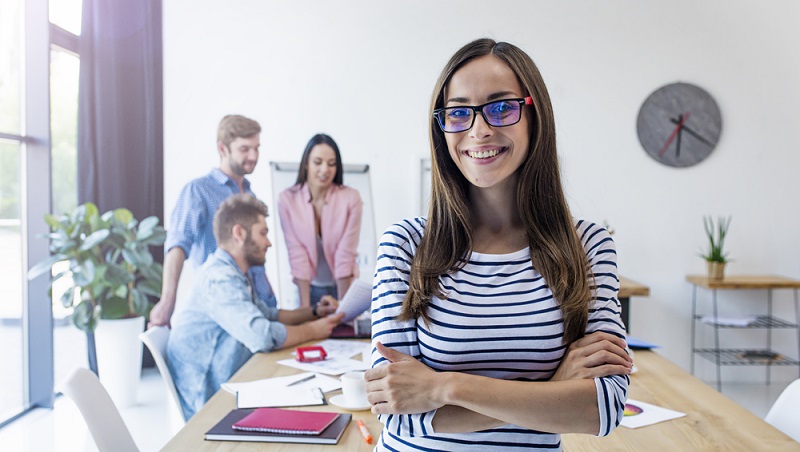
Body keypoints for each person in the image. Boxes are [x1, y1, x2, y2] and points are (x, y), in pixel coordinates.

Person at [365, 38, 631, 451]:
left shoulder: (587, 246)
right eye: (458, 113)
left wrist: (441, 388)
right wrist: (554, 387)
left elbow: (604, 409)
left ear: (534, 115)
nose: (479, 130)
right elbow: (399, 417)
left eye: (501, 107)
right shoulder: (406, 244)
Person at [167, 194, 345, 419]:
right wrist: (315, 330)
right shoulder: (219, 279)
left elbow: (268, 315)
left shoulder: (234, 273)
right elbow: (261, 336)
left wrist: (314, 312)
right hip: (209, 401)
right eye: (263, 233)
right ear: (239, 234)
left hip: (232, 381)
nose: (268, 242)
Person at [150, 114, 275, 328]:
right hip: (225, 304)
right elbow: (178, 245)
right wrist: (167, 301)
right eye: (245, 149)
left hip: (261, 303)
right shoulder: (198, 191)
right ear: (223, 149)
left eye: (257, 148)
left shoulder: (251, 194)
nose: (253, 156)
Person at [277, 134, 363, 308]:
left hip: (343, 286)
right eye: (318, 162)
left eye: (332, 164)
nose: (325, 170)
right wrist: (305, 309)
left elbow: (345, 253)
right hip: (307, 288)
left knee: (343, 332)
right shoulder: (287, 200)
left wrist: (343, 307)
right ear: (306, 163)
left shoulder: (351, 198)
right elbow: (296, 253)